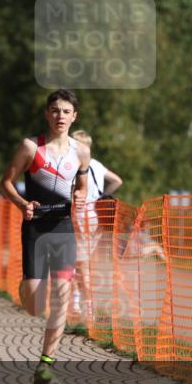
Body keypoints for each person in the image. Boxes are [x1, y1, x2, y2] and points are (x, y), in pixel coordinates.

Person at [0, 89, 90, 384]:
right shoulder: (30, 148)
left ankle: (45, 367)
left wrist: (80, 195)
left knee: (62, 297)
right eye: (54, 110)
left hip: (63, 229)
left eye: (65, 111)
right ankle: (25, 288)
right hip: (36, 230)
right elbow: (5, 183)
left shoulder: (81, 151)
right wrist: (22, 204)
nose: (60, 116)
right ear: (46, 113)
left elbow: (82, 186)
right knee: (35, 305)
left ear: (74, 116)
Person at [70, 130, 123, 316]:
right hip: (97, 216)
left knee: (80, 263)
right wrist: (102, 195)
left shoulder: (75, 165)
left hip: (80, 215)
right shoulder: (97, 165)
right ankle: (77, 303)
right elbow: (117, 181)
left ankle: (88, 307)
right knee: (80, 261)